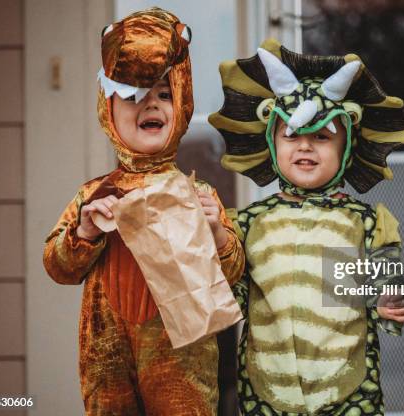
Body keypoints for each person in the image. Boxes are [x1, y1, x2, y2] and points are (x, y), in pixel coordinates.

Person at [43, 8, 244, 415]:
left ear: (183, 103)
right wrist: (83, 234)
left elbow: (233, 272)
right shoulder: (94, 194)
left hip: (181, 357)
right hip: (107, 360)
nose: (150, 104)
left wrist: (218, 235)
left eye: (164, 94)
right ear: (109, 111)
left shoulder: (197, 192)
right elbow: (58, 266)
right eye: (133, 96)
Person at [208, 39, 404, 415]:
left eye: (321, 137)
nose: (305, 147)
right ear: (271, 142)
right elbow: (227, 294)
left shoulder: (366, 223)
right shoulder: (249, 223)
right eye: (291, 136)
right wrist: (218, 237)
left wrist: (389, 302)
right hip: (268, 390)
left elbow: (386, 289)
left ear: (346, 146)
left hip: (348, 393)